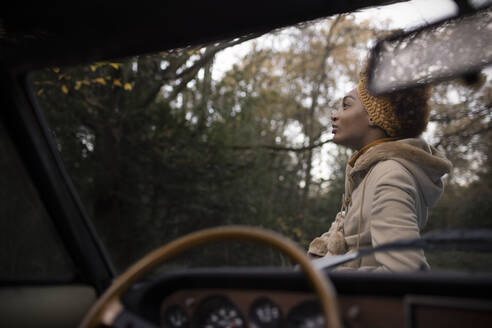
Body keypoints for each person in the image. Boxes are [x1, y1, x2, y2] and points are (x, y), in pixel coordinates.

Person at [308, 70, 452, 272]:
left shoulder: (390, 176)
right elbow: (348, 237)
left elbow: (405, 273)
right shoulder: (365, 173)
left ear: (374, 117)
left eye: (346, 105)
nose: (334, 114)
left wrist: (332, 276)